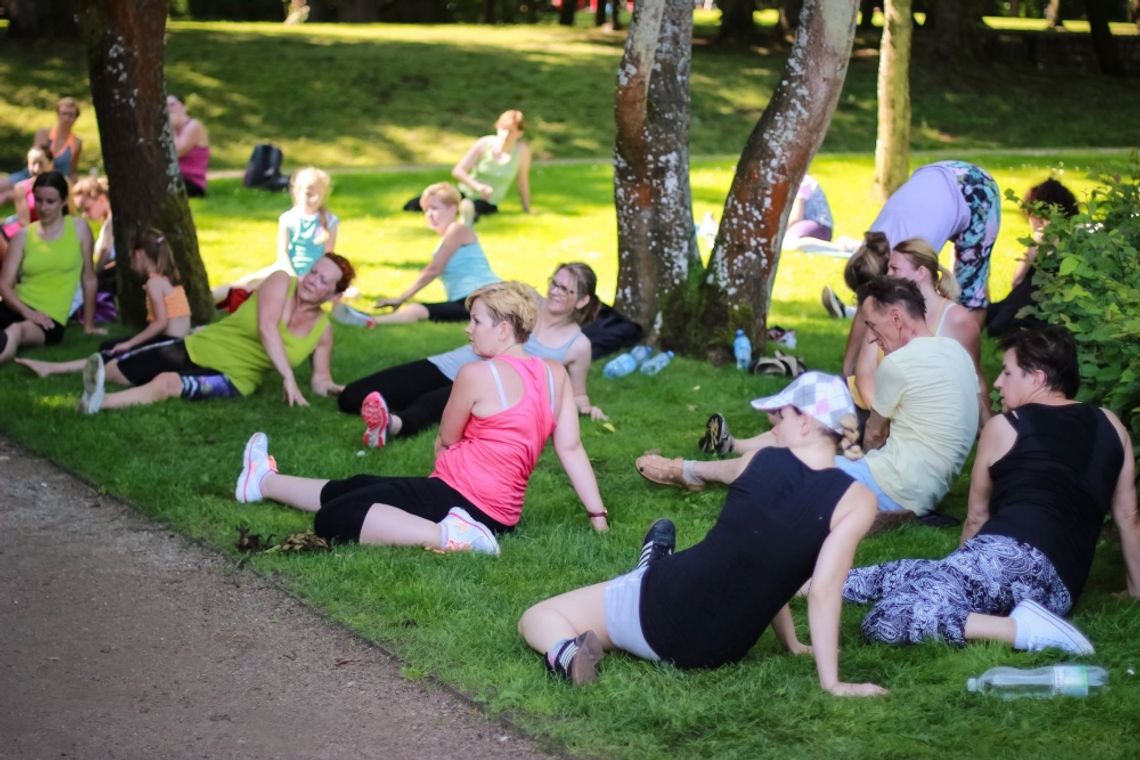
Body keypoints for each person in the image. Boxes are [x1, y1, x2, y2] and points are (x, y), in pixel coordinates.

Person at [520, 372, 885, 696]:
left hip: (658, 613)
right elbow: (791, 575)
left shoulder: (757, 462)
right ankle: (652, 563)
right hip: (719, 648)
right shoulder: (857, 501)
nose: (772, 425)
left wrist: (682, 469)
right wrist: (821, 673)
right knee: (700, 565)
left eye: (781, 415)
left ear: (806, 423)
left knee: (539, 616)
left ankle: (568, 655)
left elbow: (794, 577)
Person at [234, 281, 610, 556]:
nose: (468, 329)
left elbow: (446, 438)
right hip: (500, 514)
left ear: (504, 328)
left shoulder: (477, 374)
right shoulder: (553, 373)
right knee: (359, 484)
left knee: (335, 518)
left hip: (462, 503)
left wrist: (440, 487)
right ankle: (262, 482)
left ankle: (448, 536)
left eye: (476, 321)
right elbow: (571, 448)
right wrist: (598, 517)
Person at [842, 325, 1139, 654]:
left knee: (886, 619)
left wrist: (960, 571)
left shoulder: (1005, 427)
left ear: (1037, 378)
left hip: (1007, 555)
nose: (997, 383)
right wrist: (1135, 591)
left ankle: (1022, 630)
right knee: (902, 574)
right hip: (1061, 588)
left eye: (1007, 372)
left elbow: (976, 517)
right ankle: (814, 585)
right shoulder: (1112, 425)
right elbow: (1128, 517)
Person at [703, 278, 978, 524]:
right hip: (929, 489)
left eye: (872, 325)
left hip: (896, 485)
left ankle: (688, 471)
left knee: (779, 466)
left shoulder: (900, 363)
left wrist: (861, 462)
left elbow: (874, 433)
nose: (870, 338)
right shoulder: (956, 352)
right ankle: (719, 456)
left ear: (896, 318)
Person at [339, 263, 607, 447]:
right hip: (451, 363)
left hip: (488, 384)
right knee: (350, 397)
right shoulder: (525, 301)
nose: (555, 292)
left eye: (566, 289)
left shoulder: (578, 344)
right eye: (555, 283)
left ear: (582, 300)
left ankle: (393, 425)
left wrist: (587, 408)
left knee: (435, 402)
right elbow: (483, 299)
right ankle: (382, 405)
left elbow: (577, 392)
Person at [74, 253, 352, 414]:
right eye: (313, 272)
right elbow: (267, 328)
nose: (312, 280)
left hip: (234, 378)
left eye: (322, 280)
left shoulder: (322, 331)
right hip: (199, 346)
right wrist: (288, 376)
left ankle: (98, 402)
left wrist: (338, 390)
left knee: (167, 383)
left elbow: (320, 379)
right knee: (114, 371)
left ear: (334, 294)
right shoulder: (282, 281)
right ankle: (65, 370)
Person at [821, 161, 1001, 325]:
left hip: (977, 193)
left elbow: (917, 312)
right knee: (972, 279)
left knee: (970, 296)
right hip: (941, 174)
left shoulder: (911, 256)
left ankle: (967, 357)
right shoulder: (873, 244)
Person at [17, 228, 191, 379]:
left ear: (140, 254)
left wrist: (130, 344)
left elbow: (160, 323)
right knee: (108, 347)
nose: (131, 263)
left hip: (169, 345)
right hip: (172, 342)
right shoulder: (166, 279)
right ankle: (54, 368)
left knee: (114, 353)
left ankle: (52, 369)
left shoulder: (155, 283)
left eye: (132, 257)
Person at [874, 238, 991, 426]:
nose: (888, 275)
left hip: (933, 424)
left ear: (921, 273)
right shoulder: (885, 311)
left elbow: (975, 379)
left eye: (895, 269)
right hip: (885, 413)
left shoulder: (957, 319)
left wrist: (988, 430)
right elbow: (866, 371)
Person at [0, 172, 98, 366]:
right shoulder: (23, 236)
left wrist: (88, 325)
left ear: (63, 201)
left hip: (50, 319)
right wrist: (26, 311)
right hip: (17, 307)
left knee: (16, 331)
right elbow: (4, 284)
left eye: (50, 201)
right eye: (38, 200)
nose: (43, 207)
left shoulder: (79, 229)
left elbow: (89, 278)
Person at [373, 182, 500, 324]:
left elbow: (434, 269)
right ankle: (369, 320)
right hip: (471, 301)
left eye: (434, 208)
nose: (429, 214)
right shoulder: (449, 236)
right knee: (418, 309)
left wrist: (401, 298)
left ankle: (369, 321)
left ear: (452, 209)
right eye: (426, 210)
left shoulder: (457, 230)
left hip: (486, 297)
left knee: (416, 309)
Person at [212, 167, 339, 304]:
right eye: (308, 194)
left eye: (317, 195)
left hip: (313, 277)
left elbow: (328, 258)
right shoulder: (288, 219)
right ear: (296, 192)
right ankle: (210, 298)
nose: (312, 200)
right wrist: (294, 276)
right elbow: (283, 255)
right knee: (250, 282)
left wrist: (310, 278)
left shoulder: (330, 221)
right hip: (286, 270)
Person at [985, 179, 1079, 339]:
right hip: (1060, 304)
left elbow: (1018, 278)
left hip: (1032, 301)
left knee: (995, 320)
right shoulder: (1075, 233)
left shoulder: (1042, 235)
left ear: (1036, 214)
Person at [402, 110, 532, 221]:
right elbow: (458, 170)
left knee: (471, 210)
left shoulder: (521, 151)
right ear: (497, 127)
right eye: (503, 129)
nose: (505, 135)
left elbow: (522, 181)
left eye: (511, 131)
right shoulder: (484, 144)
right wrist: (478, 186)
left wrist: (527, 209)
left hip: (487, 202)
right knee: (414, 205)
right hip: (464, 193)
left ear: (519, 133)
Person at [0, 97, 84, 204]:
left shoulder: (76, 143)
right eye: (64, 113)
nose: (67, 118)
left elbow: (73, 171)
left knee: (5, 196)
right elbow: (34, 161)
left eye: (71, 115)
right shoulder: (43, 134)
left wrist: (73, 189)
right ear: (58, 114)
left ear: (75, 118)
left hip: (51, 183)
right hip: (29, 175)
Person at [68, 175, 118, 324]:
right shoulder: (107, 223)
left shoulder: (112, 223)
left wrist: (94, 274)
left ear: (101, 199)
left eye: (87, 209)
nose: (85, 214)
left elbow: (105, 252)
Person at [167, 94, 210, 197]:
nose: (168, 109)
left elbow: (178, 152)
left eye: (172, 104)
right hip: (174, 178)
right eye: (165, 105)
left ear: (184, 107)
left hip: (191, 182)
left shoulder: (193, 126)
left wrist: (170, 128)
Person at [783, 173, 834, 248]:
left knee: (789, 241)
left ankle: (839, 247)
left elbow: (796, 217)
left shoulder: (801, 181)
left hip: (819, 226)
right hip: (805, 225)